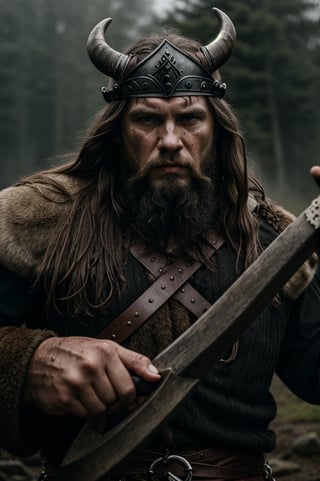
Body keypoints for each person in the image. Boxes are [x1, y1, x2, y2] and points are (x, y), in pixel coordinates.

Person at [0, 7, 319, 481]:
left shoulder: (276, 239)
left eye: (189, 118)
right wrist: (27, 362)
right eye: (148, 119)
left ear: (216, 129)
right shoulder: (40, 221)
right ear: (118, 132)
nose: (170, 140)